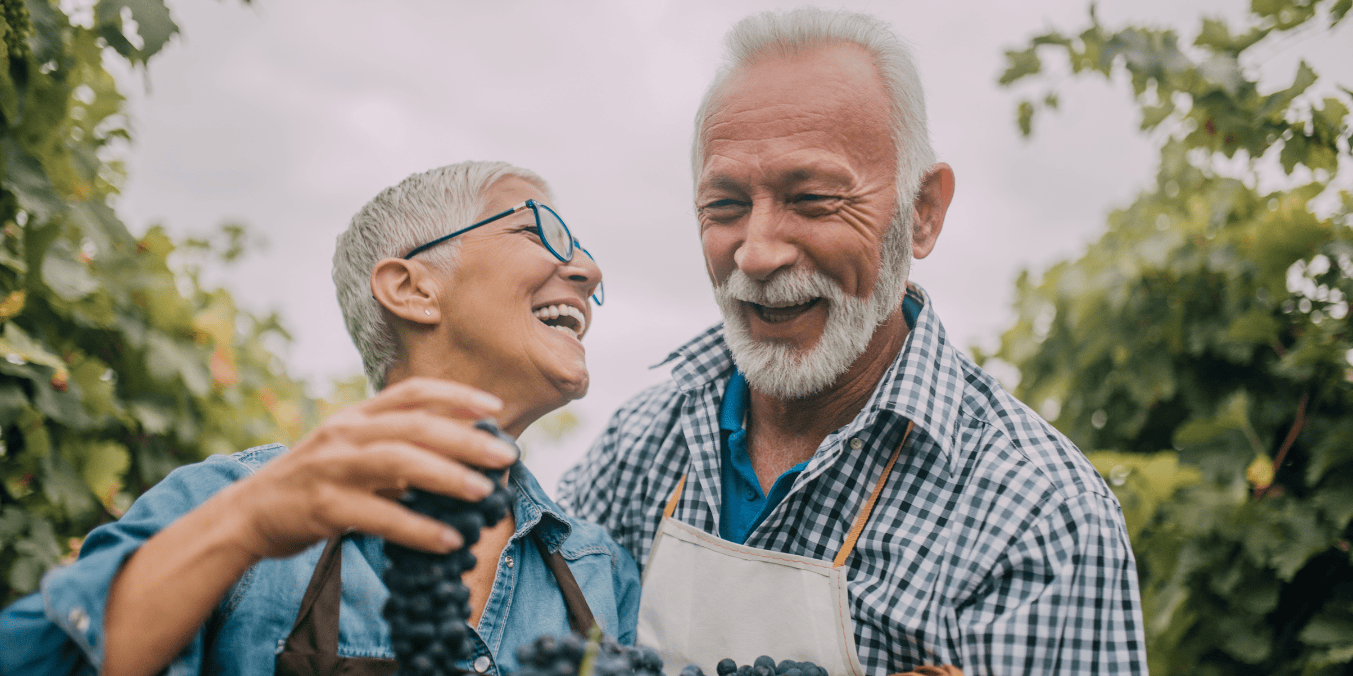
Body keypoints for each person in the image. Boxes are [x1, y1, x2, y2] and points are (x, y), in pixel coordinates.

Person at [557, 8, 1146, 676]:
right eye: (724, 206)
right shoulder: (648, 437)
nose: (755, 253)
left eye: (811, 199)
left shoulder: (1036, 516)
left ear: (921, 213)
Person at [0, 161, 640, 676]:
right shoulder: (226, 503)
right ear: (411, 288)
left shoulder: (599, 569)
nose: (588, 270)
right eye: (538, 234)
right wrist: (245, 525)